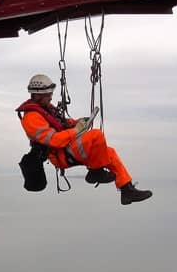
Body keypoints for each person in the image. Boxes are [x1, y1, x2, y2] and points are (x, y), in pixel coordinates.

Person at [16, 74, 152, 205]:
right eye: (48, 94)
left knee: (109, 152)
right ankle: (95, 172)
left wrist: (77, 122)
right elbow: (55, 140)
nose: (51, 97)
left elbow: (61, 123)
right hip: (62, 155)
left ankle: (127, 190)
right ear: (37, 95)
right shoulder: (32, 118)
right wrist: (76, 130)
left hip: (68, 149)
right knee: (96, 135)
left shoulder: (45, 109)